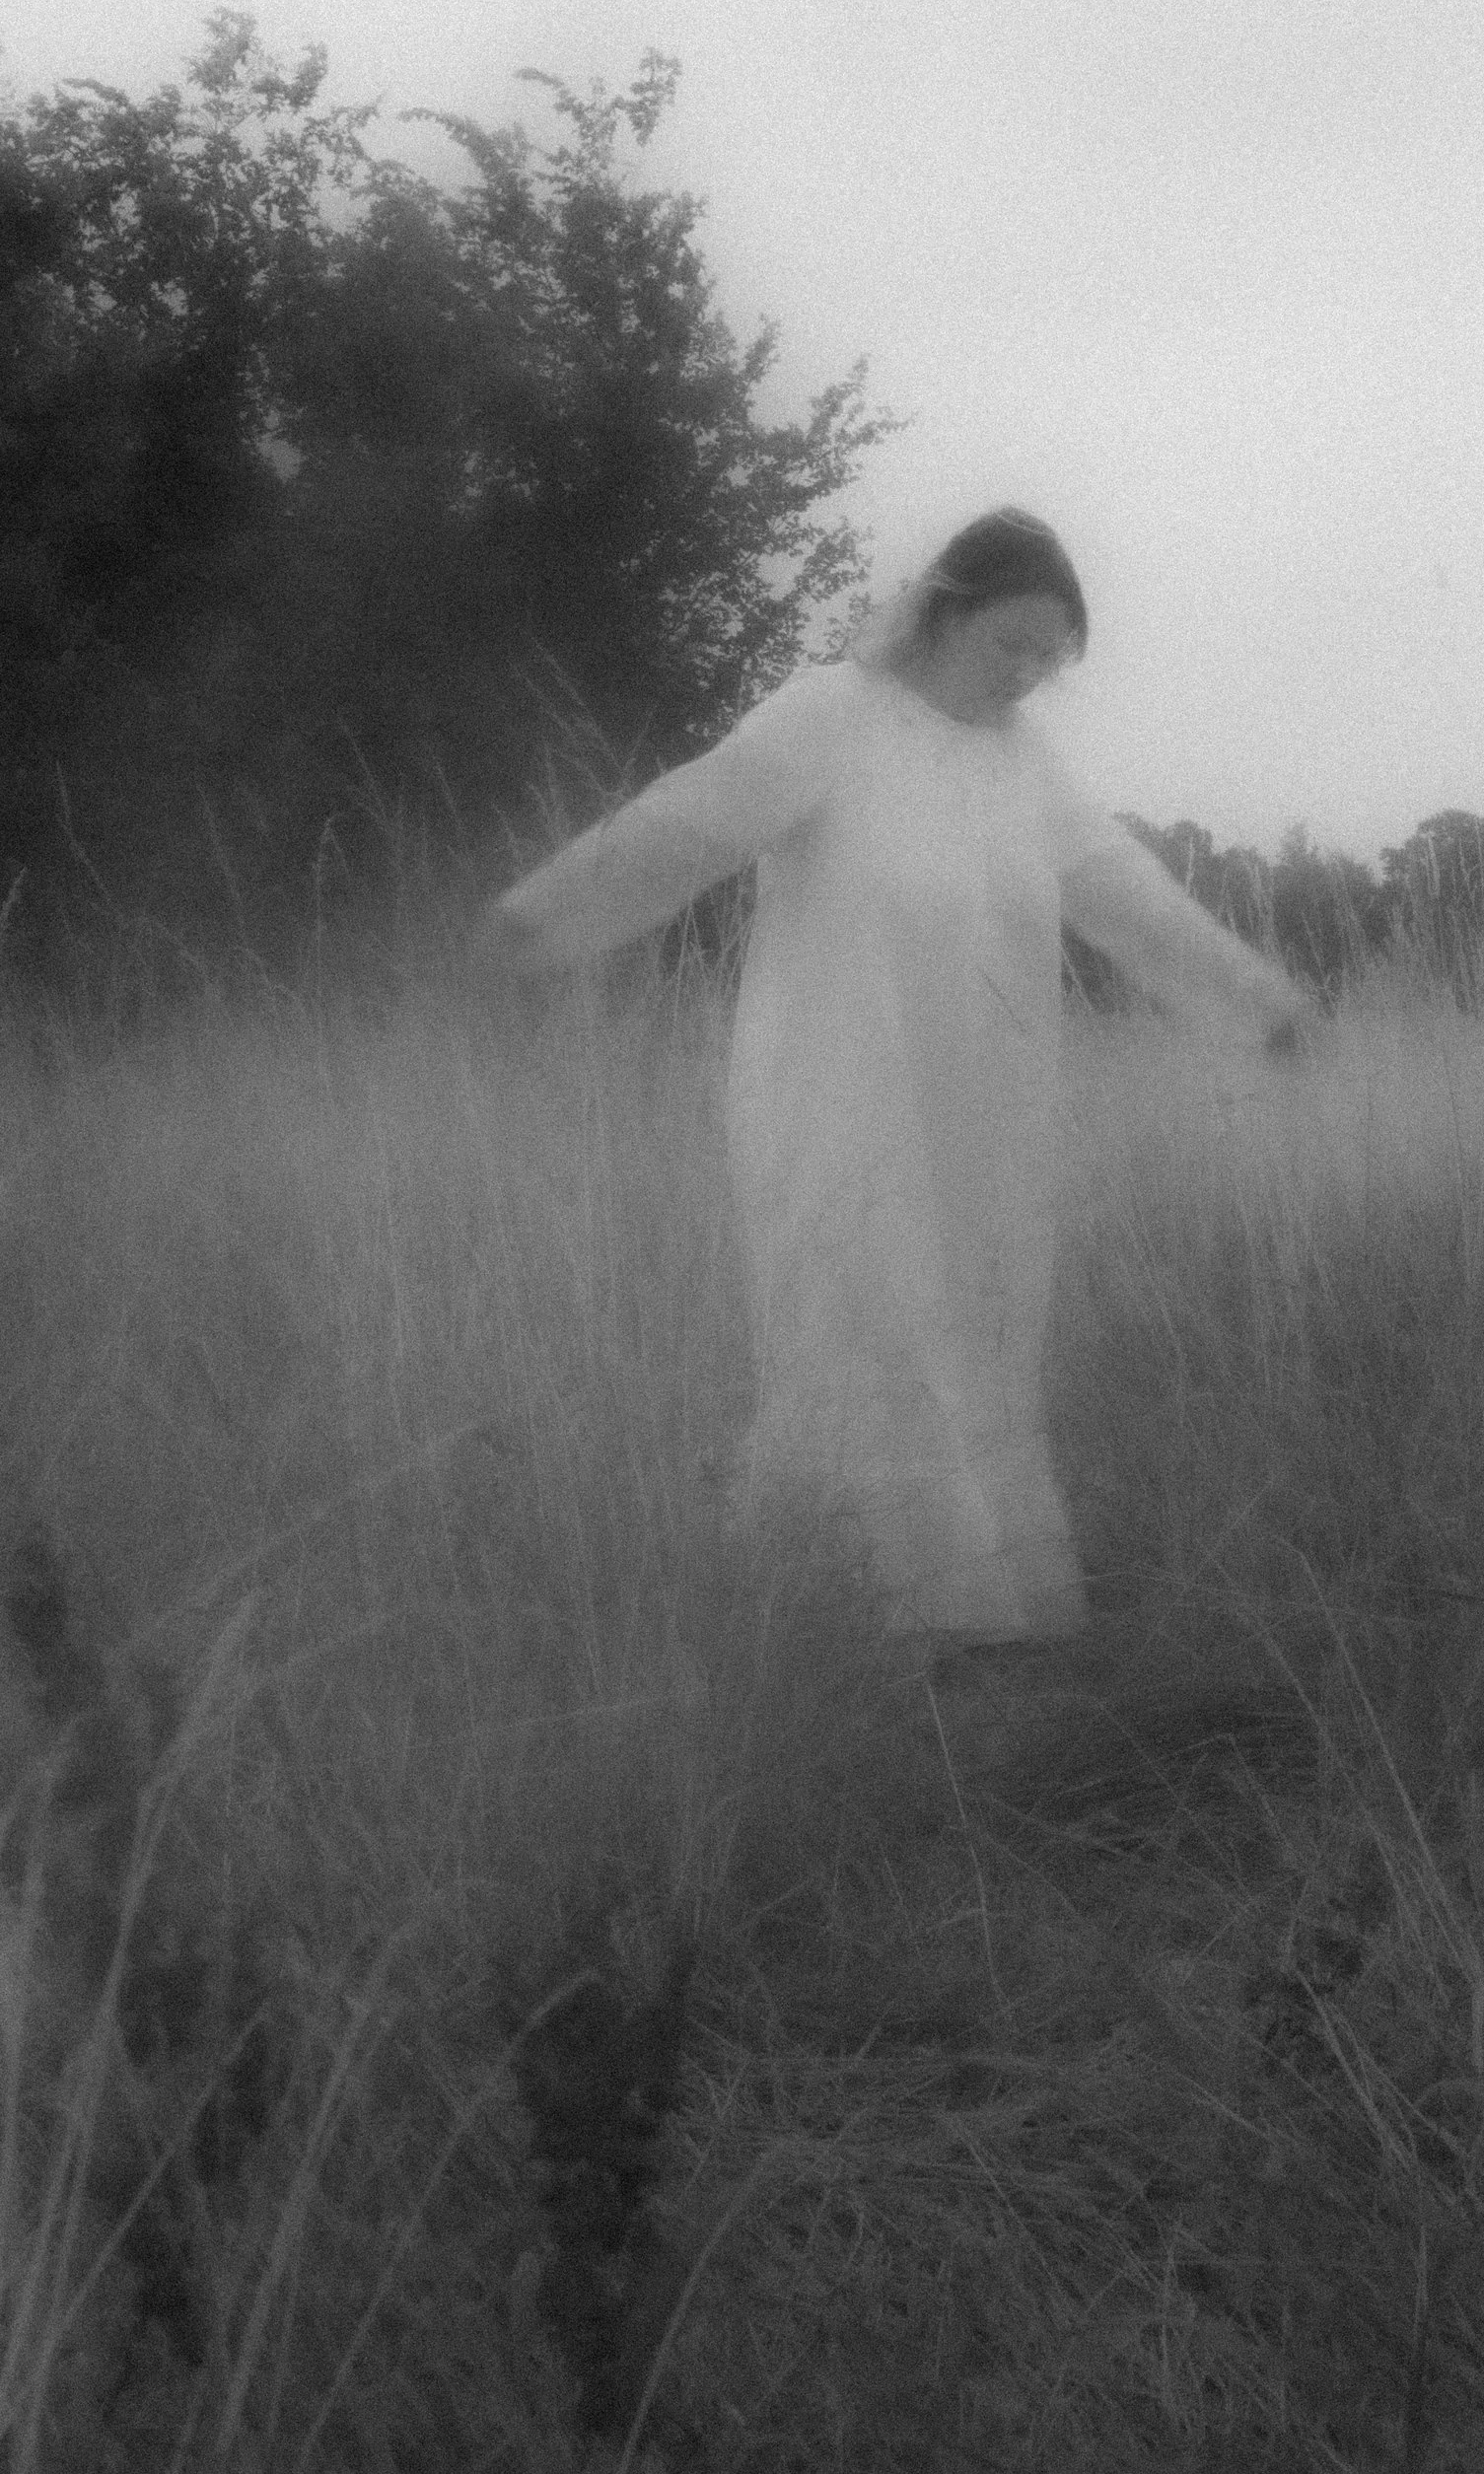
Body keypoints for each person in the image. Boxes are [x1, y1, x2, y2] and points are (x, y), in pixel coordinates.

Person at [491, 510, 1308, 1643]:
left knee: (980, 1322)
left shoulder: (1027, 764)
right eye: (1009, 643)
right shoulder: (833, 713)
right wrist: (538, 919)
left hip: (988, 1108)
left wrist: (1254, 999)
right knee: (860, 1317)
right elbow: (691, 818)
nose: (1025, 675)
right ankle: (850, 1611)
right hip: (833, 1087)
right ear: (943, 611)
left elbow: (1128, 894)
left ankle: (979, 1606)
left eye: (1047, 659)